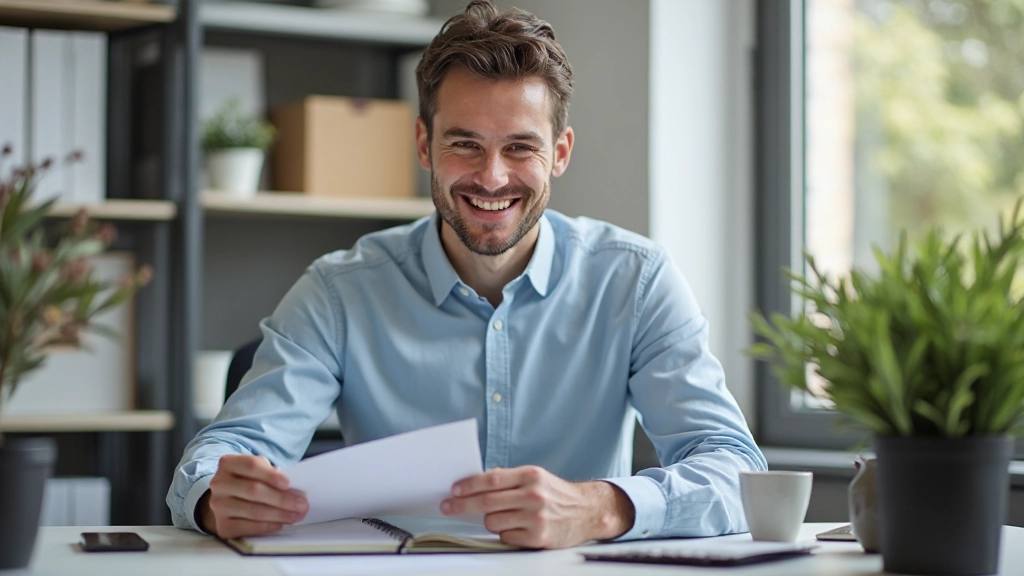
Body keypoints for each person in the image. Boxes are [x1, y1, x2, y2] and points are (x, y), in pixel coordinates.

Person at [167, 0, 767, 549]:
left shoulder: (635, 282)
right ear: (424, 144)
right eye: (465, 144)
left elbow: (734, 469)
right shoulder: (339, 291)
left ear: (559, 153)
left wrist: (602, 507)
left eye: (520, 148)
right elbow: (214, 461)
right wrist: (222, 499)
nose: (492, 177)